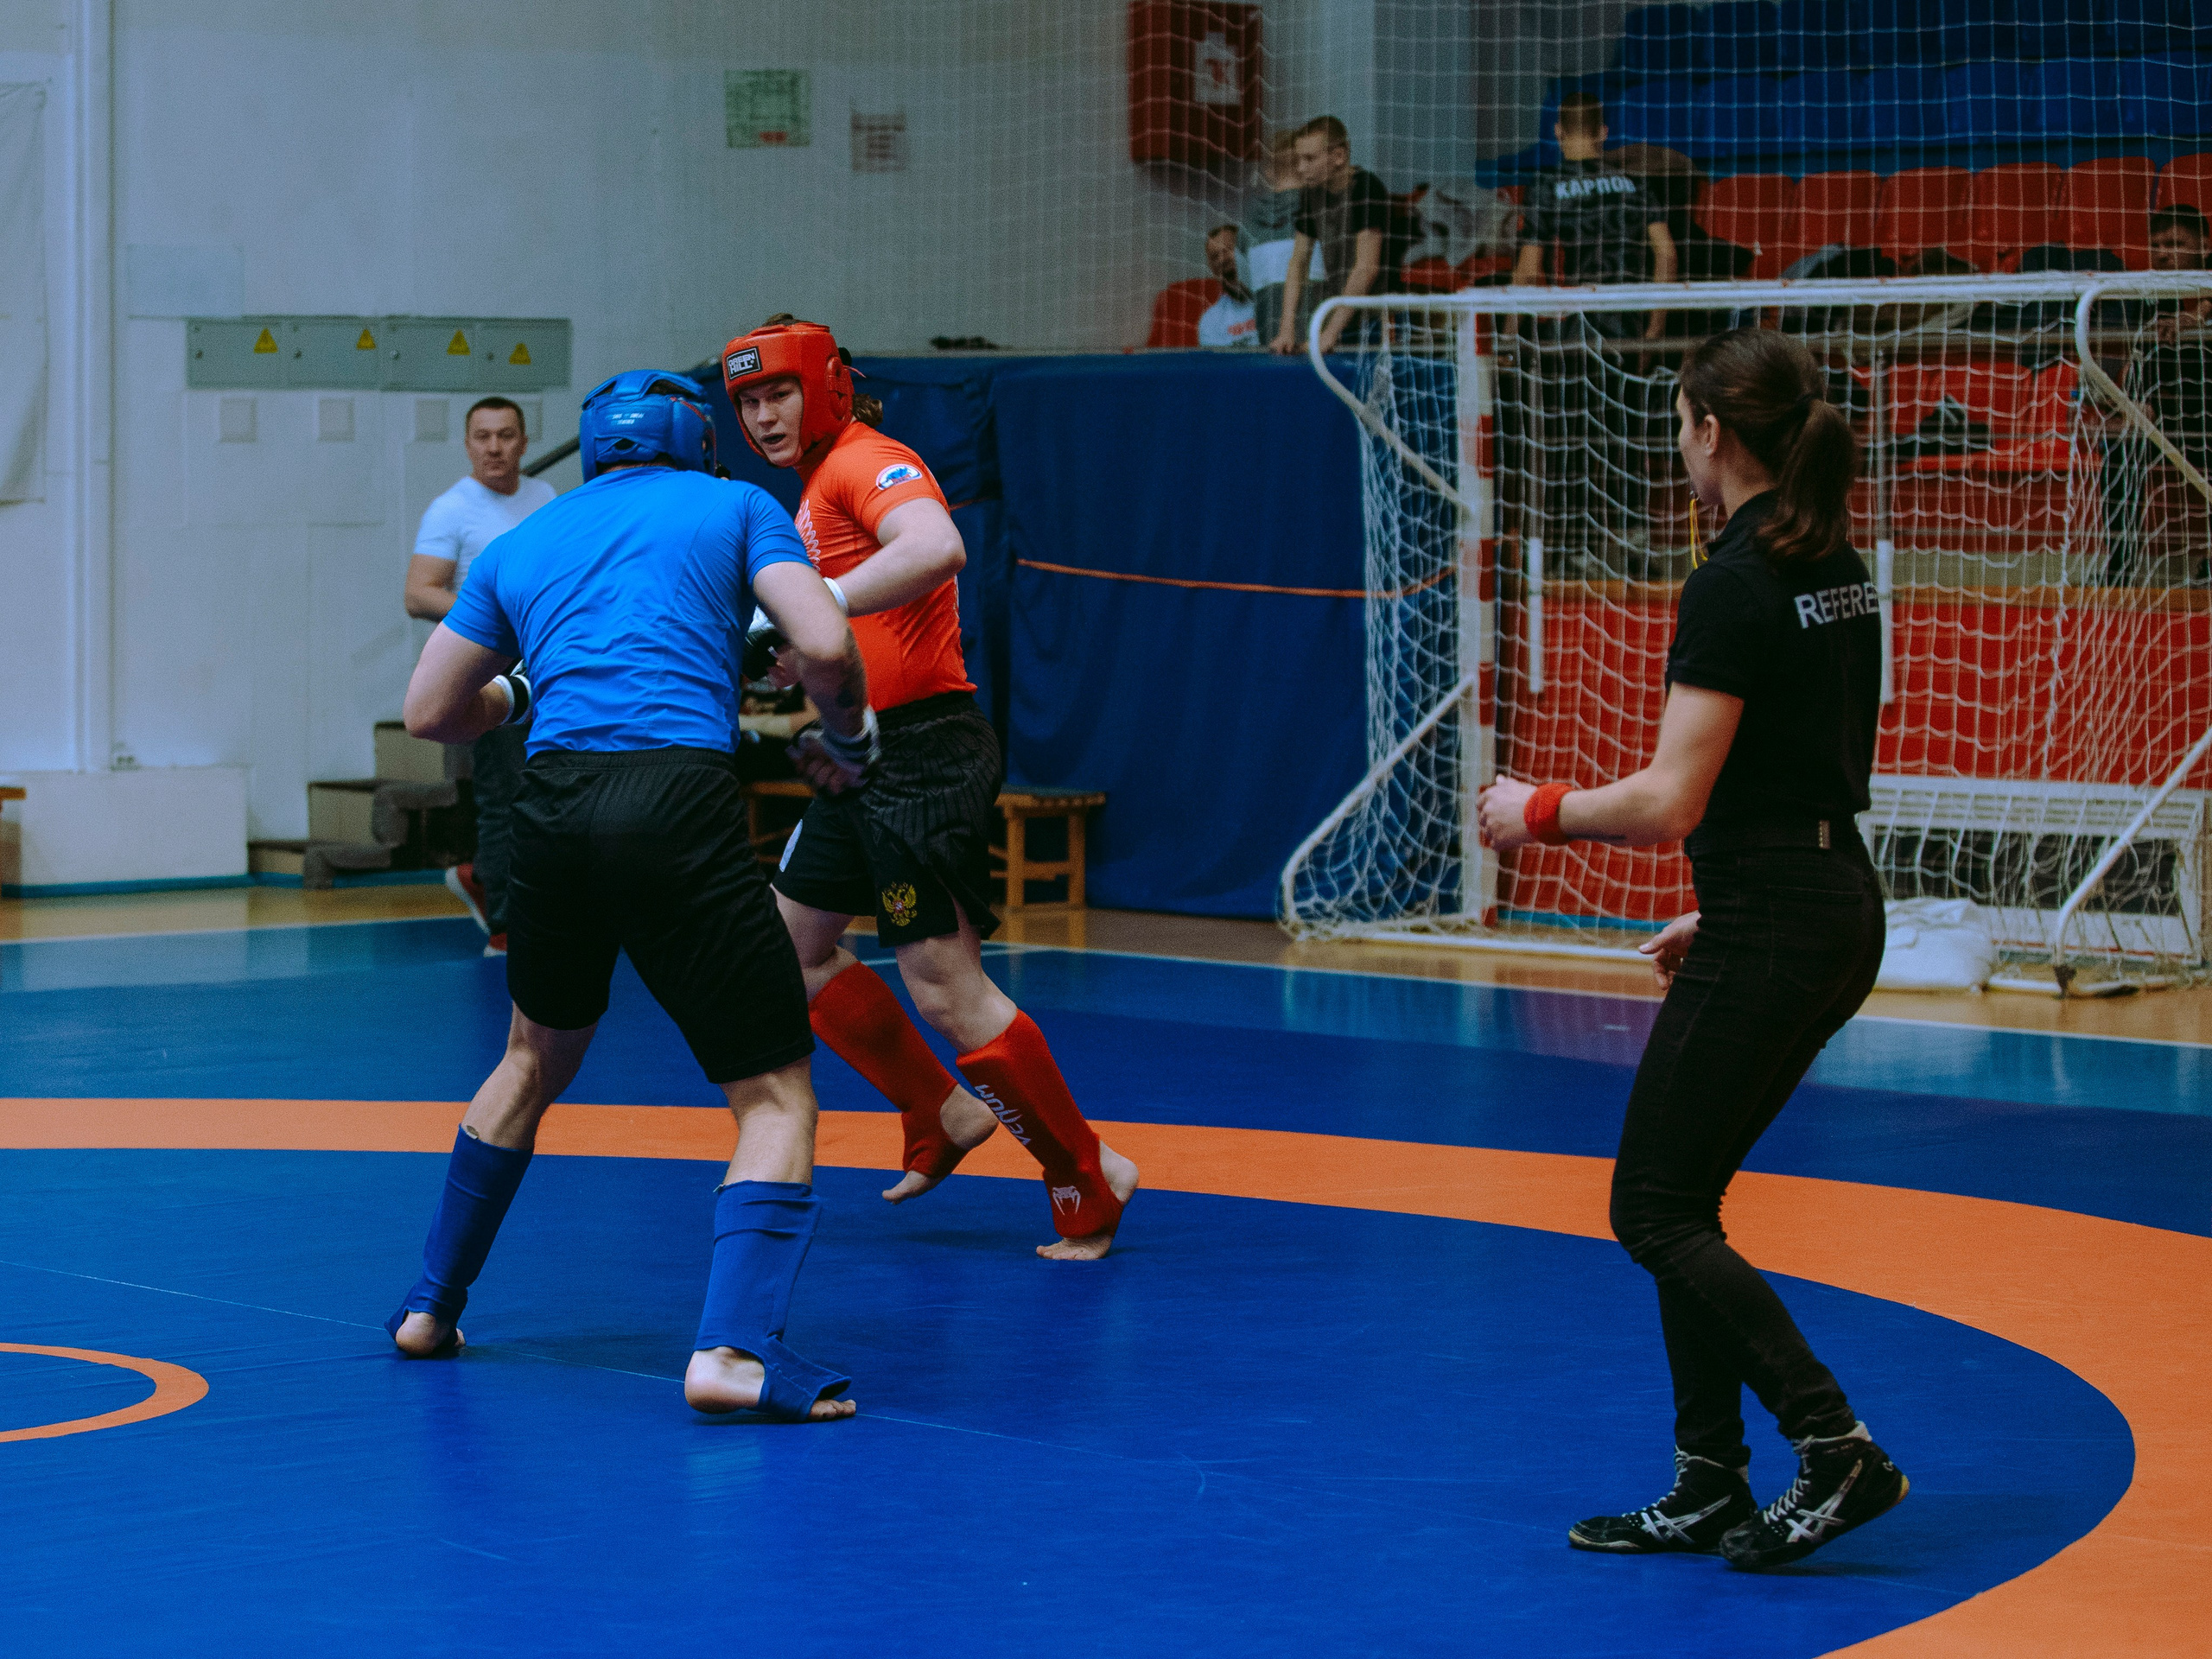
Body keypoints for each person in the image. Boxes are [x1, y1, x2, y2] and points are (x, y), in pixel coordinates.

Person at [1475, 328, 1908, 1571]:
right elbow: (1804, 760)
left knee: (1654, 1208)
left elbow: (1672, 798)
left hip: (1784, 912)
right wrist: (1729, 906)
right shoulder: (1833, 558)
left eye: (1679, 422)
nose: (1676, 443)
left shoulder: (1736, 576)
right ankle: (1712, 1479)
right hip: (1821, 899)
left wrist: (1538, 813)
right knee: (1684, 1202)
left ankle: (1832, 1448)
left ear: (1713, 434)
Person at [387, 370, 876, 1423]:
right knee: (774, 1094)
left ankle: (431, 1307)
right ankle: (733, 1356)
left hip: (552, 811)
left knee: (531, 1058)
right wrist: (849, 733)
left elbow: (431, 712)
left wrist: (522, 686)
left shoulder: (525, 540)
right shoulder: (738, 506)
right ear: (697, 443)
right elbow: (827, 643)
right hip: (677, 800)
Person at [722, 315, 1139, 1261]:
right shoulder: (813, 487)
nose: (765, 414)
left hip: (922, 752)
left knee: (945, 989)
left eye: (778, 391)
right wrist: (799, 653)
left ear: (826, 384)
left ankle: (1087, 1173)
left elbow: (934, 545)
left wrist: (817, 604)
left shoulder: (866, 458)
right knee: (790, 951)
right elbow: (873, 611)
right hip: (865, 748)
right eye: (748, 400)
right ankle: (940, 1110)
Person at [404, 397, 557, 955]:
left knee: (545, 786)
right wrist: (494, 619)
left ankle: (483, 877)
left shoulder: (545, 499)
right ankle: (506, 924)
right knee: (505, 791)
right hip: (485, 667)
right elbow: (418, 592)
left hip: (542, 665)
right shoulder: (452, 509)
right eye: (483, 436)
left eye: (506, 435)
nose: (495, 447)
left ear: (523, 441)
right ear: (468, 444)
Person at [2101, 205, 2212, 585]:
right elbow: (2138, 359)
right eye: (2158, 244)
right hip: (2165, 414)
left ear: (2205, 244)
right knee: (2118, 447)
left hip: (2208, 416)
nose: (2165, 253)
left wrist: (2200, 318)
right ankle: (2120, 565)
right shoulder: (2151, 296)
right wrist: (2134, 402)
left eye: (2177, 243)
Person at [1514, 94, 1678, 338]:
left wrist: (1507, 338)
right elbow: (1666, 252)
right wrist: (1655, 329)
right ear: (1603, 132)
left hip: (1575, 329)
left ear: (1558, 131)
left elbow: (1528, 270)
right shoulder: (1635, 184)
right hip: (1629, 325)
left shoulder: (1546, 187)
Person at [1268, 115, 1410, 357]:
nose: (1301, 168)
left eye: (1309, 159)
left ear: (1338, 156)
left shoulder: (1366, 188)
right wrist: (1287, 326)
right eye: (1299, 159)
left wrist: (1330, 332)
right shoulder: (1311, 194)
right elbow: (1299, 261)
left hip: (1380, 314)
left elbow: (1366, 268)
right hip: (1345, 313)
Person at [1243, 130, 1322, 350]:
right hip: (1319, 344)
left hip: (1272, 342)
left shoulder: (1248, 225)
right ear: (1302, 165)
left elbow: (1245, 283)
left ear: (1268, 171)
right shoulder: (1321, 213)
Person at [1198, 223, 1259, 348]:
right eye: (1215, 256)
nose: (1222, 260)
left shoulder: (1278, 301)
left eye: (1228, 250)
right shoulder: (1211, 321)